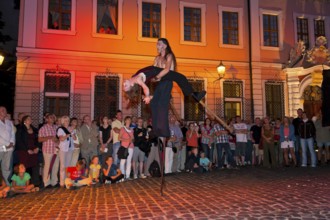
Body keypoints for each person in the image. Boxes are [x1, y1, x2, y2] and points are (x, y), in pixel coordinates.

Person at [124, 38, 206, 137]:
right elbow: (152, 73)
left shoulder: (169, 55)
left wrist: (157, 77)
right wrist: (151, 82)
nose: (157, 46)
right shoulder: (157, 59)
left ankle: (194, 95)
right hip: (160, 80)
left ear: (165, 46)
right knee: (154, 103)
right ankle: (156, 129)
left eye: (159, 44)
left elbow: (167, 69)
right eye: (157, 44)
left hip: (166, 79)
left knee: (179, 79)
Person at [15, 115, 40, 186]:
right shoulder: (20, 129)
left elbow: (38, 139)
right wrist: (27, 150)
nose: (30, 119)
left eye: (30, 118)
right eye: (28, 119)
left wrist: (37, 147)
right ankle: (22, 183)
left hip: (33, 149)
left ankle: (35, 182)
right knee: (24, 166)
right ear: (24, 121)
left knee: (35, 165)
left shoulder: (34, 129)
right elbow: (19, 141)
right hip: (24, 150)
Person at [38, 114, 60, 188]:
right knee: (47, 166)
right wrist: (49, 137)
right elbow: (39, 139)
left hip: (56, 149)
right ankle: (46, 182)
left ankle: (54, 181)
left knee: (55, 166)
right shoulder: (43, 128)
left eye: (53, 118)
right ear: (47, 119)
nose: (53, 119)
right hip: (47, 149)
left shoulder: (56, 127)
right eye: (51, 118)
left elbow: (59, 138)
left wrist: (57, 140)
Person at [57, 116, 76, 187]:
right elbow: (61, 139)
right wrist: (68, 134)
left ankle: (66, 181)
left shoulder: (70, 128)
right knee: (62, 165)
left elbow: (74, 138)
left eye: (68, 121)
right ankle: (61, 182)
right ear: (62, 122)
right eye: (65, 121)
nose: (67, 122)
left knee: (68, 166)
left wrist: (73, 134)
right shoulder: (60, 129)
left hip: (70, 148)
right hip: (63, 149)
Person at [0, 106, 16, 186]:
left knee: (7, 167)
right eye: (2, 110)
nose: (4, 111)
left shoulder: (9, 122)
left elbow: (12, 133)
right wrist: (7, 144)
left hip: (9, 149)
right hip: (1, 147)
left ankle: (6, 184)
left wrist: (12, 143)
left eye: (5, 110)